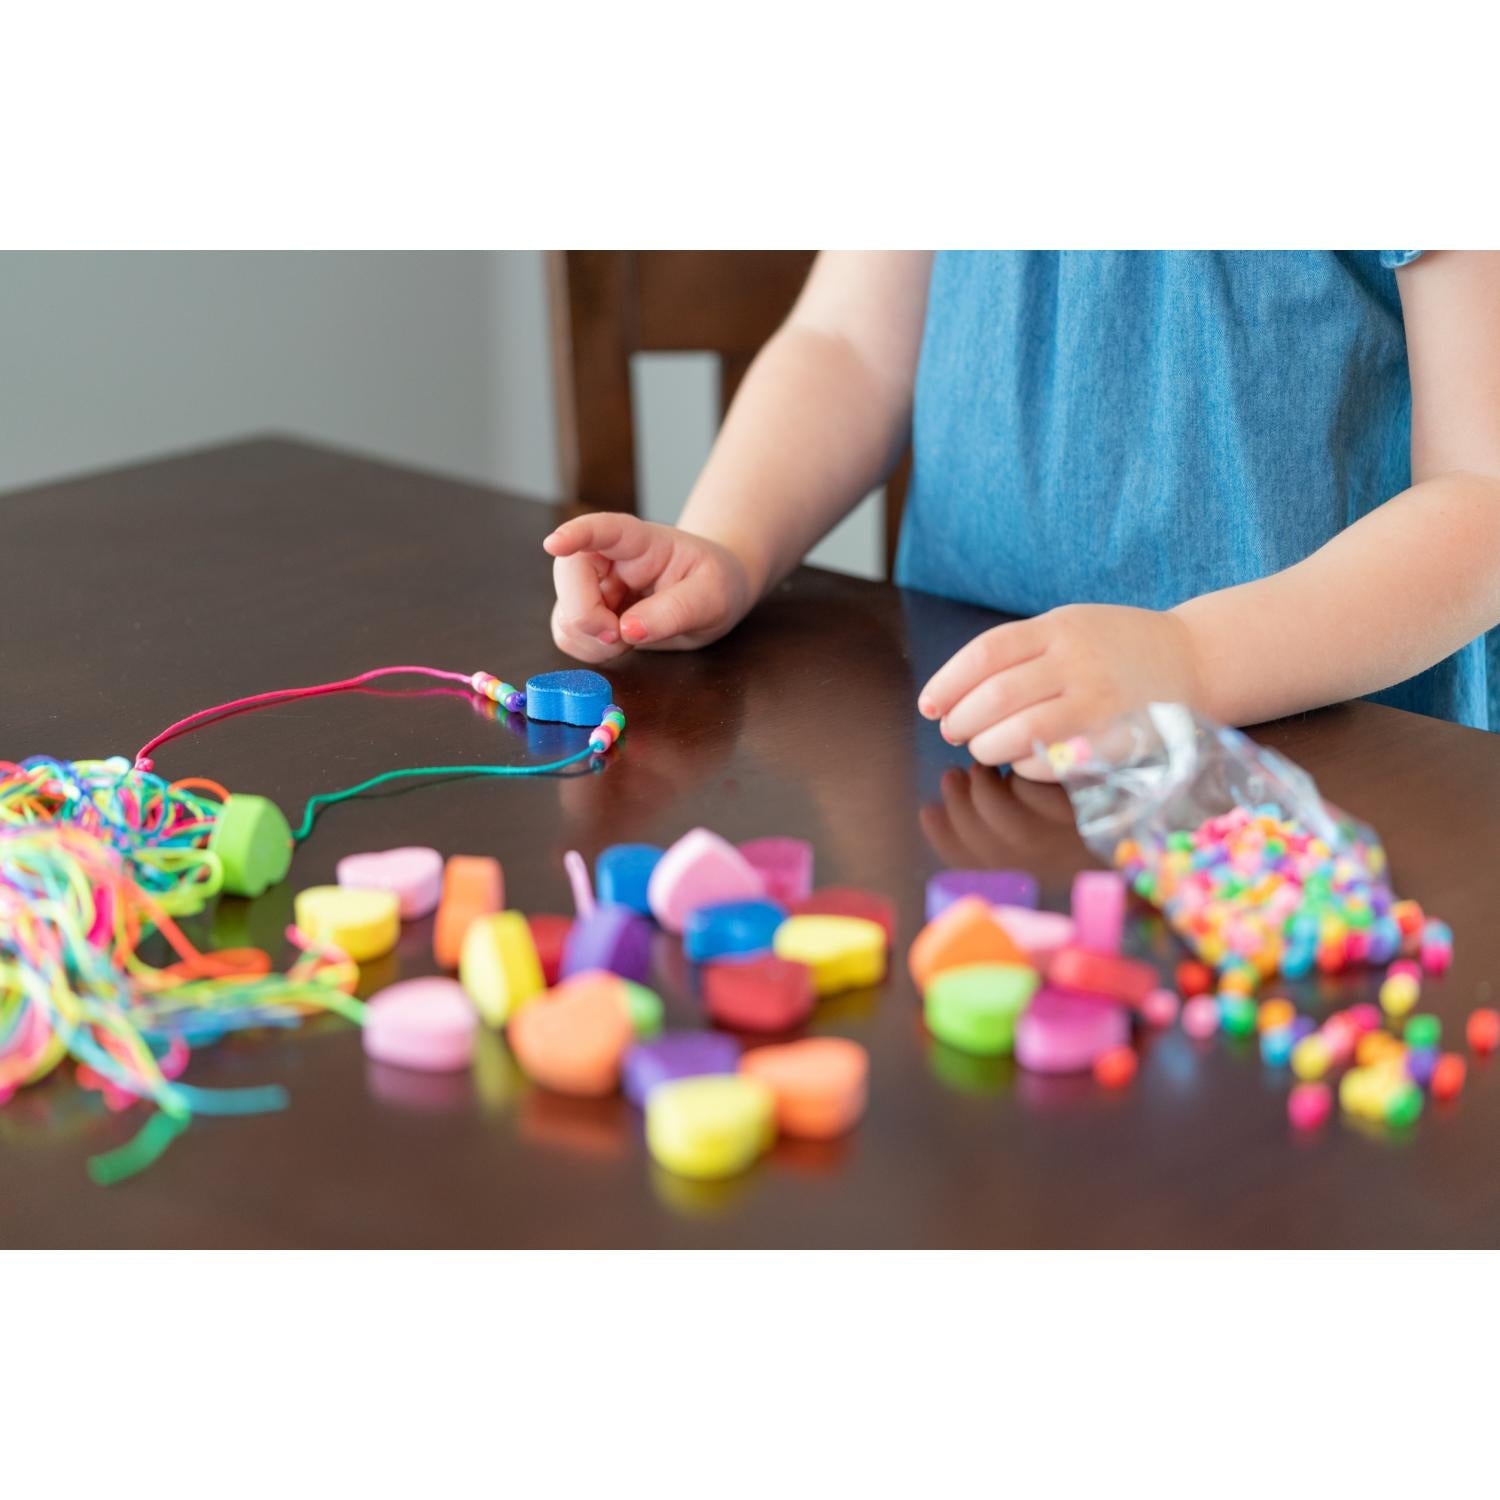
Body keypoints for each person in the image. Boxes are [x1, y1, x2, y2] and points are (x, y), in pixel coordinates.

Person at [544, 251, 1500, 778]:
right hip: (973, 742)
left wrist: (1192, 659)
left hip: (1325, 775)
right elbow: (847, 345)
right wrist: (730, 541)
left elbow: (1481, 496)